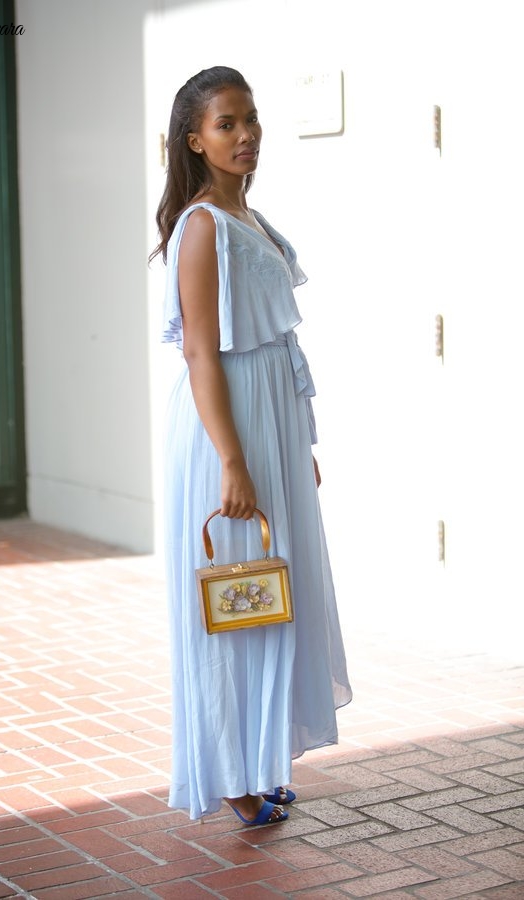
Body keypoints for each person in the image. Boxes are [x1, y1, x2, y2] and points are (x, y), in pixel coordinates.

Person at [152, 66, 352, 826]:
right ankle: (229, 777)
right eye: (227, 124)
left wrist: (292, 443)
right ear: (195, 140)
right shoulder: (203, 227)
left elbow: (274, 347)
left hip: (266, 425)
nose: (246, 135)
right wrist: (234, 460)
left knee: (268, 595)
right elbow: (202, 354)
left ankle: (256, 758)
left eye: (251, 119)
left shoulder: (251, 218)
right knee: (232, 597)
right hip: (224, 432)